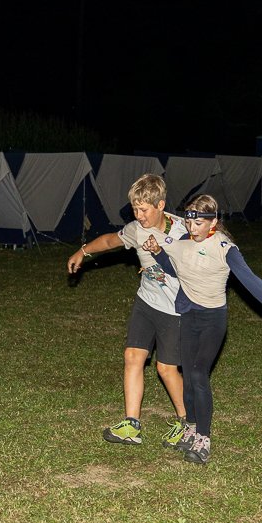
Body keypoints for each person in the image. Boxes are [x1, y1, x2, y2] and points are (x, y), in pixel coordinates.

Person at [143, 194, 262, 465]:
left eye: (199, 224)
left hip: (212, 319)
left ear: (213, 222)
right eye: (189, 223)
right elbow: (176, 268)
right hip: (188, 315)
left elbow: (251, 281)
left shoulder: (225, 248)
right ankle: (191, 428)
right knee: (188, 376)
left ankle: (204, 438)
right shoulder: (182, 243)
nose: (192, 229)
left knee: (198, 373)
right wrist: (158, 252)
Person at [67, 173, 189, 447]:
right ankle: (131, 425)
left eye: (144, 210)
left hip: (175, 310)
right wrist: (83, 252)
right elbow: (110, 241)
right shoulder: (136, 229)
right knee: (133, 356)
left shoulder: (183, 232)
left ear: (160, 205)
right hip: (146, 303)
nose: (139, 216)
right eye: (135, 209)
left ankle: (187, 422)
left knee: (166, 369)